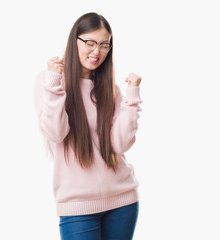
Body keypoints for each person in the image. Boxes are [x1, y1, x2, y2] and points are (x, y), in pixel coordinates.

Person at [34, 12, 142, 240]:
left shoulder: (109, 89)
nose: (97, 52)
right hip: (77, 207)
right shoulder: (49, 81)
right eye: (90, 43)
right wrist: (54, 82)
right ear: (75, 41)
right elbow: (55, 132)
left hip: (123, 201)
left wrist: (131, 96)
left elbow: (120, 144)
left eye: (104, 45)